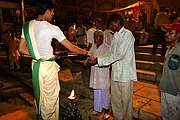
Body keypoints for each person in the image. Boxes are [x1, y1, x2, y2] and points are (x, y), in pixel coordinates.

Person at [18, 0, 92, 120]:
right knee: (50, 102)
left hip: (36, 66)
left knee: (41, 97)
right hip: (47, 69)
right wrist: (86, 52)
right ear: (47, 11)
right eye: (52, 11)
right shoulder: (52, 28)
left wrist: (38, 55)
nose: (53, 14)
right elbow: (71, 47)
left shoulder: (27, 26)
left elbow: (21, 49)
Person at [88, 13, 137, 120]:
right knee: (116, 102)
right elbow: (110, 52)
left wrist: (98, 60)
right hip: (115, 74)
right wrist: (96, 58)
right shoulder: (115, 36)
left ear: (117, 22)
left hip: (125, 75)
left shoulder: (127, 35)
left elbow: (119, 54)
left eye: (112, 23)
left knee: (126, 103)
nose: (111, 26)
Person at [87, 30, 110, 119]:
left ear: (101, 37)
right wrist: (87, 61)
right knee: (96, 91)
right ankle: (98, 108)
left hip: (102, 73)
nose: (95, 39)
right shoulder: (93, 47)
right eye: (94, 37)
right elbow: (90, 57)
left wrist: (94, 63)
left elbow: (107, 61)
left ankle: (106, 109)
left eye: (97, 37)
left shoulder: (107, 48)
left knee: (104, 91)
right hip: (95, 73)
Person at [159, 22, 180, 120]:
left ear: (178, 34)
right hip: (164, 89)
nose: (166, 34)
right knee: (164, 116)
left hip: (174, 93)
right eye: (167, 32)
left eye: (170, 32)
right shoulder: (170, 49)